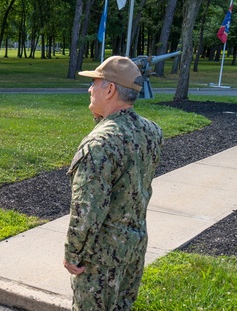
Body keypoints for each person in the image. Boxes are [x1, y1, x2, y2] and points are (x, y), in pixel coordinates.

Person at [63, 56, 163, 310]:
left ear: (109, 89)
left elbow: (87, 210)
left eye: (95, 82)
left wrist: (73, 254)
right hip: (134, 249)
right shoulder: (151, 131)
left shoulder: (100, 144)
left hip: (100, 260)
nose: (89, 89)